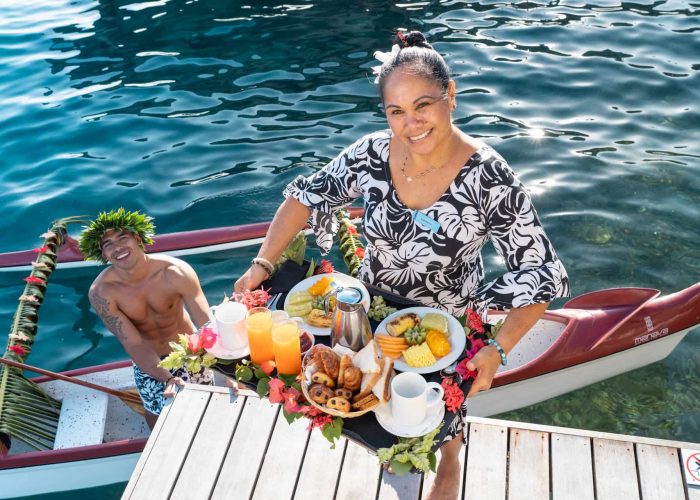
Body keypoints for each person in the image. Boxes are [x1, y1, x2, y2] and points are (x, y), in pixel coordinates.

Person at [235, 31, 569, 499]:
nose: (411, 123)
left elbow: (542, 275)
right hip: (370, 310)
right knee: (367, 402)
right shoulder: (371, 153)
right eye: (396, 111)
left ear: (451, 96)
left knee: (438, 417)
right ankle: (399, 454)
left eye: (423, 105)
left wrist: (499, 349)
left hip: (445, 327)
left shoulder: (490, 177)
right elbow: (304, 197)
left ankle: (450, 456)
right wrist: (263, 263)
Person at [80, 208, 212, 429]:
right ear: (103, 254)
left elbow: (206, 324)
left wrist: (227, 366)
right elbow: (133, 342)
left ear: (138, 239)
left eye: (123, 238)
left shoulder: (175, 271)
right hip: (148, 360)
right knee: (155, 411)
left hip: (190, 351)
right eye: (108, 244)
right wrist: (167, 377)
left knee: (204, 408)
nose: (118, 247)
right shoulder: (102, 292)